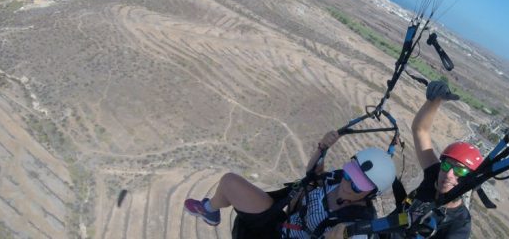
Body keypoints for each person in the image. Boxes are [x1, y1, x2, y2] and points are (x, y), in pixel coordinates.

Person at [184, 130, 396, 239]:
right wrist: (323, 147)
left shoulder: (358, 224)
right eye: (350, 174)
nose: (348, 184)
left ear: (371, 194)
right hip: (279, 225)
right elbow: (313, 176)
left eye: (358, 186)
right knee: (230, 182)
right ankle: (209, 210)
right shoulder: (338, 179)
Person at [395, 80, 483, 239]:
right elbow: (420, 130)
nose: (449, 174)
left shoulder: (459, 224)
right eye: (447, 164)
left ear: (470, 179)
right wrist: (435, 101)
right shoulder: (435, 175)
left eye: (460, 170)